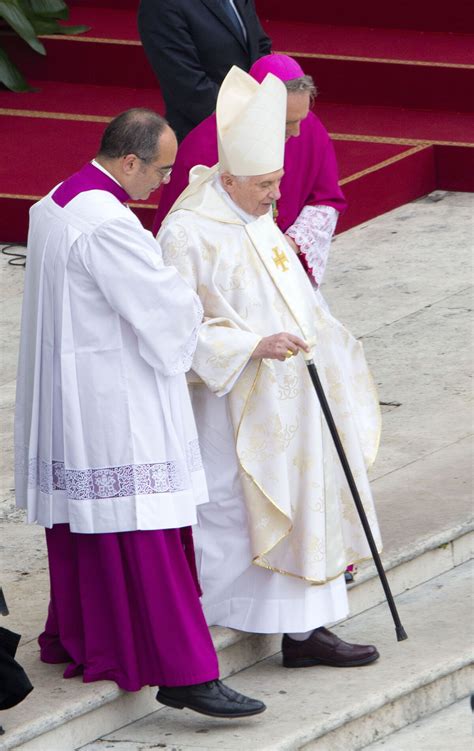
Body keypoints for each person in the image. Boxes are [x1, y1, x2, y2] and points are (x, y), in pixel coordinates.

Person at [14, 108, 265, 718]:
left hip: (76, 393)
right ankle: (184, 672)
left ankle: (85, 636)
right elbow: (165, 307)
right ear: (129, 161)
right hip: (117, 402)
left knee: (94, 527)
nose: (164, 181)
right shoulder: (109, 224)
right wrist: (198, 298)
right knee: (147, 529)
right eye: (161, 169)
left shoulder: (54, 201)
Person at [159, 68, 382, 668]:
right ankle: (229, 618)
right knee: (242, 513)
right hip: (234, 403)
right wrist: (248, 347)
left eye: (279, 181)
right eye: (266, 184)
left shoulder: (256, 215)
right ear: (228, 178)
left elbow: (295, 295)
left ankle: (307, 629)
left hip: (294, 397)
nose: (277, 197)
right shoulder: (186, 233)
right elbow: (174, 327)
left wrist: (329, 344)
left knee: (307, 501)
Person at [153, 53, 347, 291]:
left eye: (302, 119)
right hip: (229, 280)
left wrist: (290, 243)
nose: (297, 132)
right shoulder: (202, 147)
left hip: (285, 265)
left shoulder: (309, 129)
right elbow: (182, 233)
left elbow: (326, 200)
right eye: (287, 122)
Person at [138, 0, 271, 141]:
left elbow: (260, 46)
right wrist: (247, 117)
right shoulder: (160, 5)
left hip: (252, 128)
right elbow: (186, 85)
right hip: (205, 137)